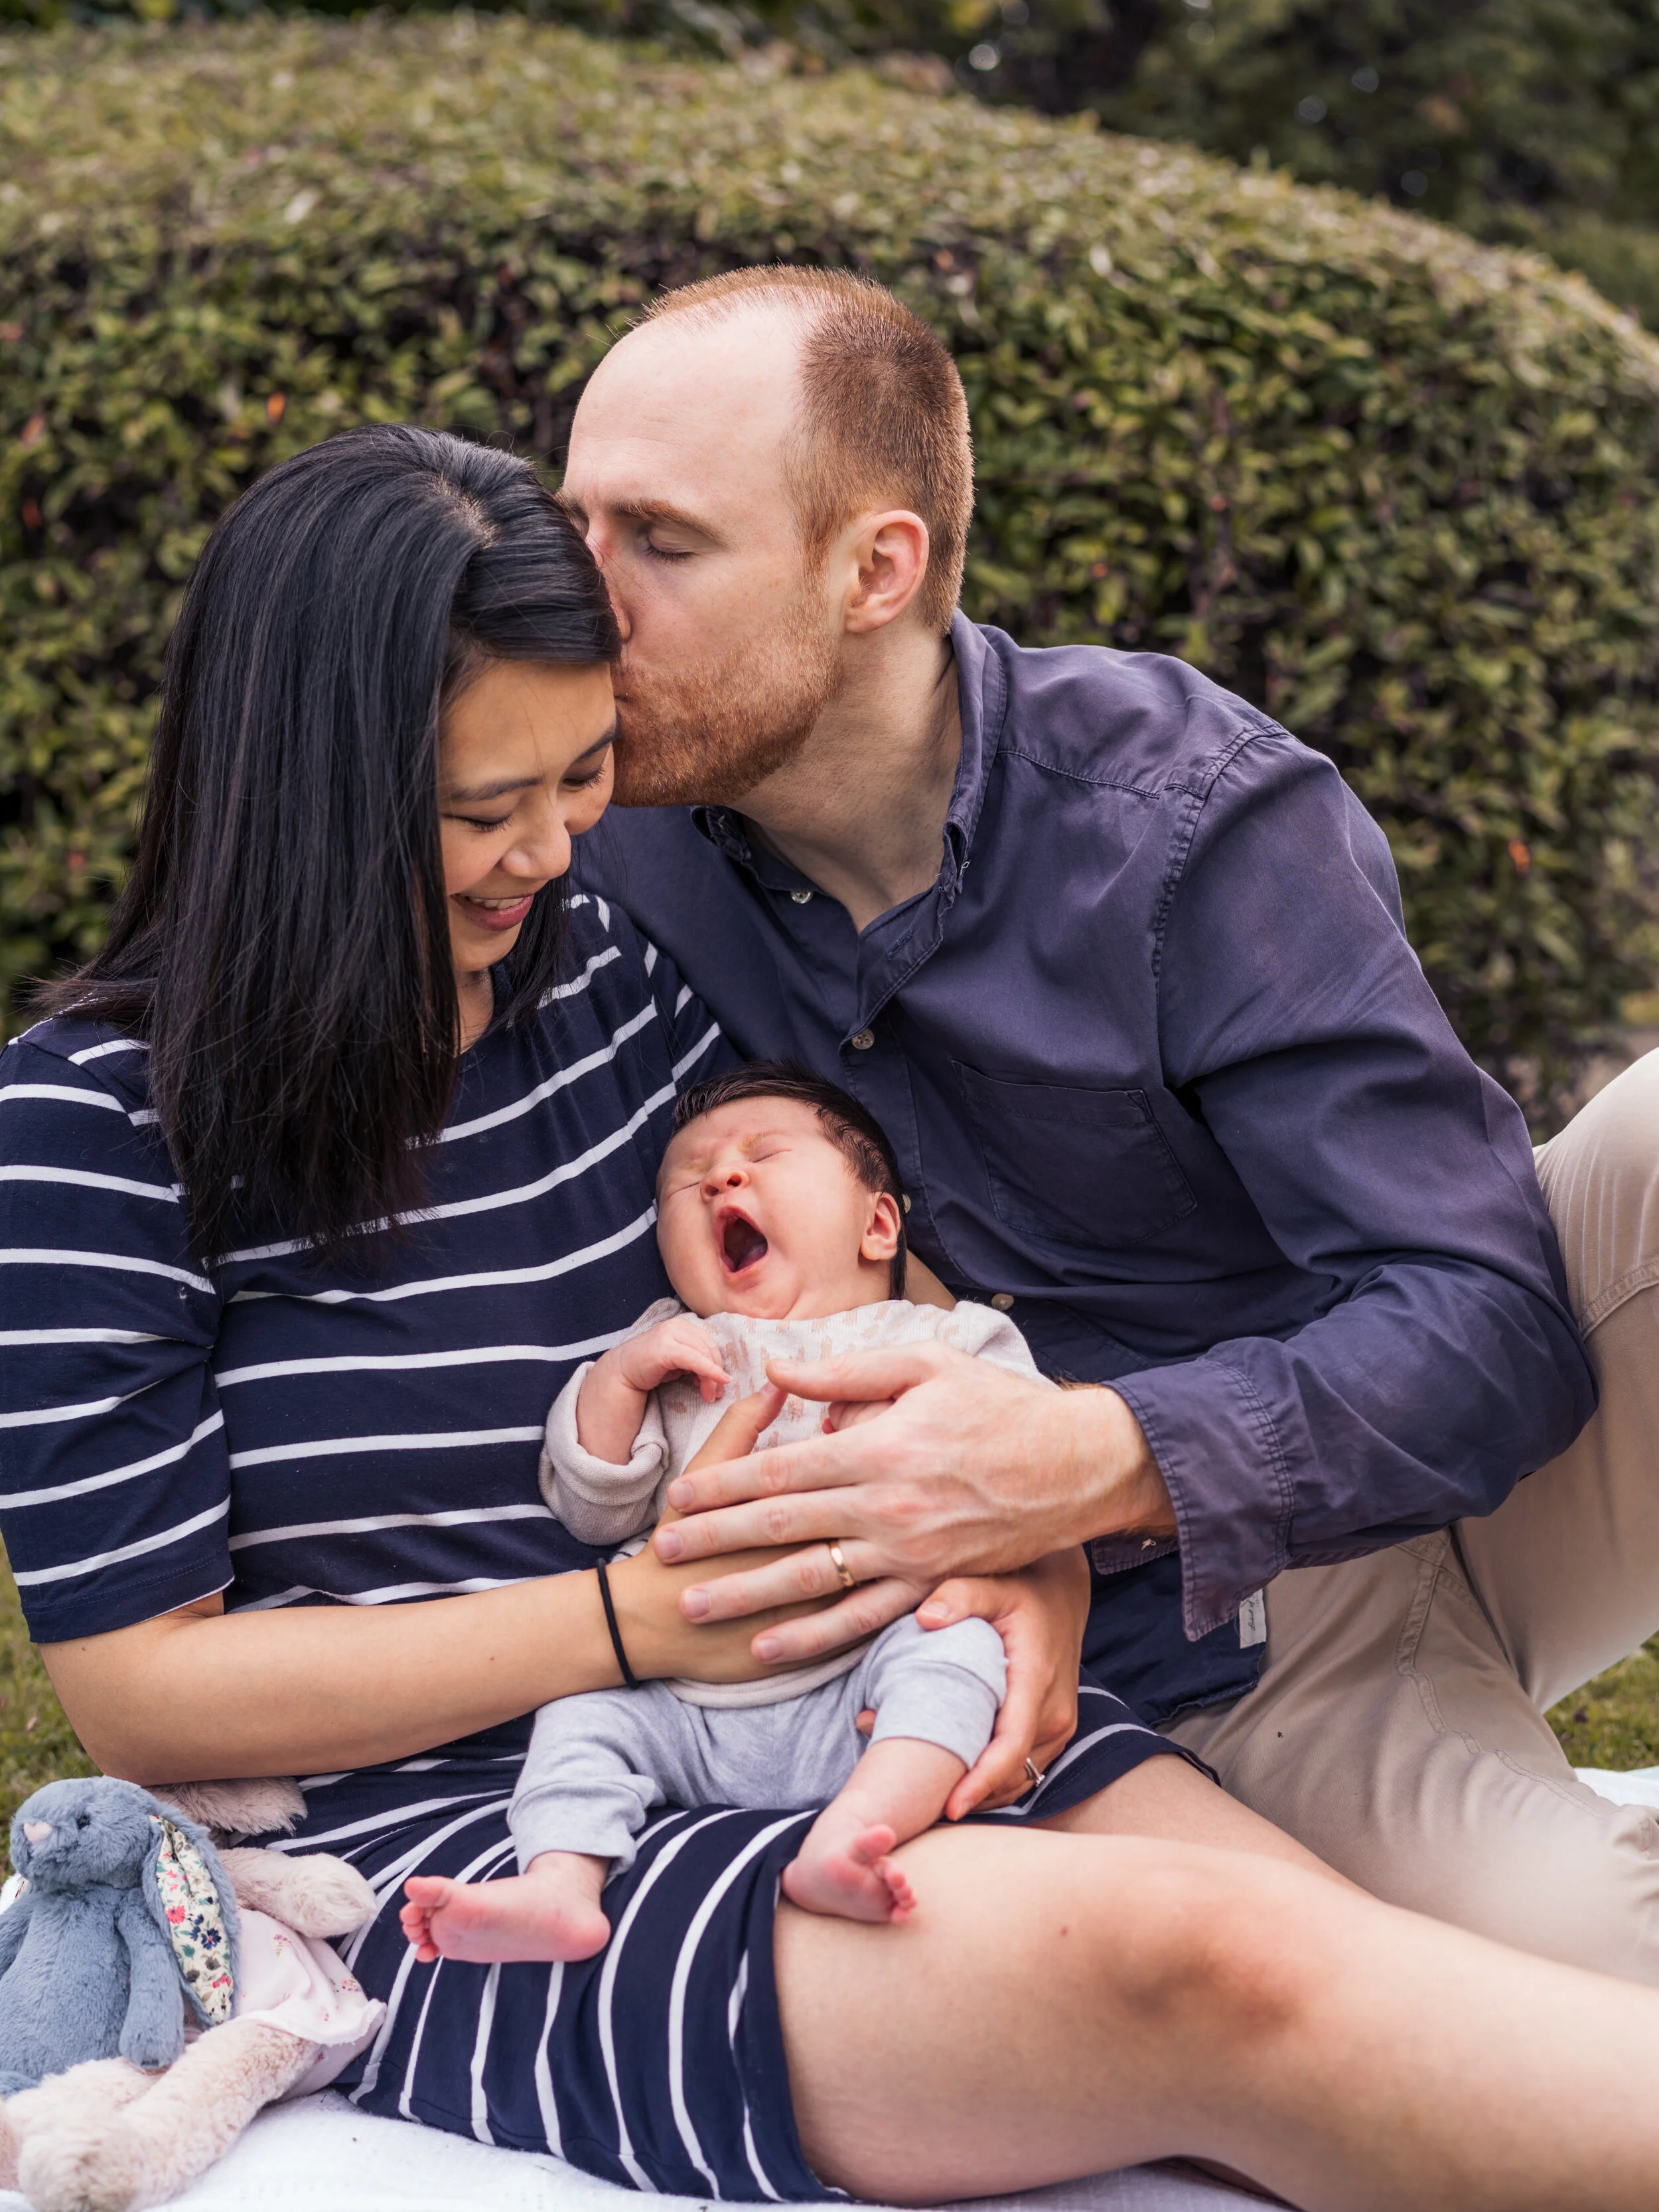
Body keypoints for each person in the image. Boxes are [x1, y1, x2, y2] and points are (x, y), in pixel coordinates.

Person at [9, 424, 1659, 2212]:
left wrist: (1017, 1537)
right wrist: (632, 1626)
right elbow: (139, 1689)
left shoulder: (617, 987)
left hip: (861, 1698)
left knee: (1333, 1953)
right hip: (489, 1833)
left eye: (579, 784)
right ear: (304, 788)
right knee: (1210, 1963)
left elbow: (866, 1291)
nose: (549, 855)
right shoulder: (96, 1126)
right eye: (486, 808)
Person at [565, 263, 1659, 1984]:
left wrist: (1083, 1459)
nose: (582, 599)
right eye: (573, 525)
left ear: (876, 569)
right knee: (1594, 1994)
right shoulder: (584, 856)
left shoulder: (1182, 820)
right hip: (1216, 1667)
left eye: (659, 541)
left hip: (1453, 1478)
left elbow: (1493, 1324)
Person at [398, 1062, 1190, 1960]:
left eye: (762, 1156)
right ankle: (558, 1886)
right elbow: (591, 1505)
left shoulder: (947, 1339)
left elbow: (1025, 1459)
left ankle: (857, 1831)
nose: (721, 1179)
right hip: (682, 1699)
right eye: (687, 1184)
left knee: (959, 1651)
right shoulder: (675, 1351)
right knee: (578, 1718)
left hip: (866, 1672)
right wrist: (620, 1379)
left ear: (879, 1224)